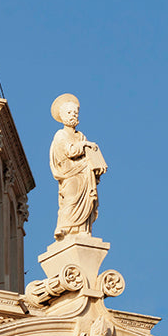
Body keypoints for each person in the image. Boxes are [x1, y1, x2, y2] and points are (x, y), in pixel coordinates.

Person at [49, 94, 107, 240]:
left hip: (85, 175)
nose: (73, 115)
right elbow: (70, 151)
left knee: (87, 200)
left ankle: (83, 229)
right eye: (69, 113)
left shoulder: (81, 136)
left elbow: (87, 154)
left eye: (75, 113)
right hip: (70, 174)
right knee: (70, 199)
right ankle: (63, 227)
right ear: (62, 116)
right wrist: (85, 145)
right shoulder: (60, 135)